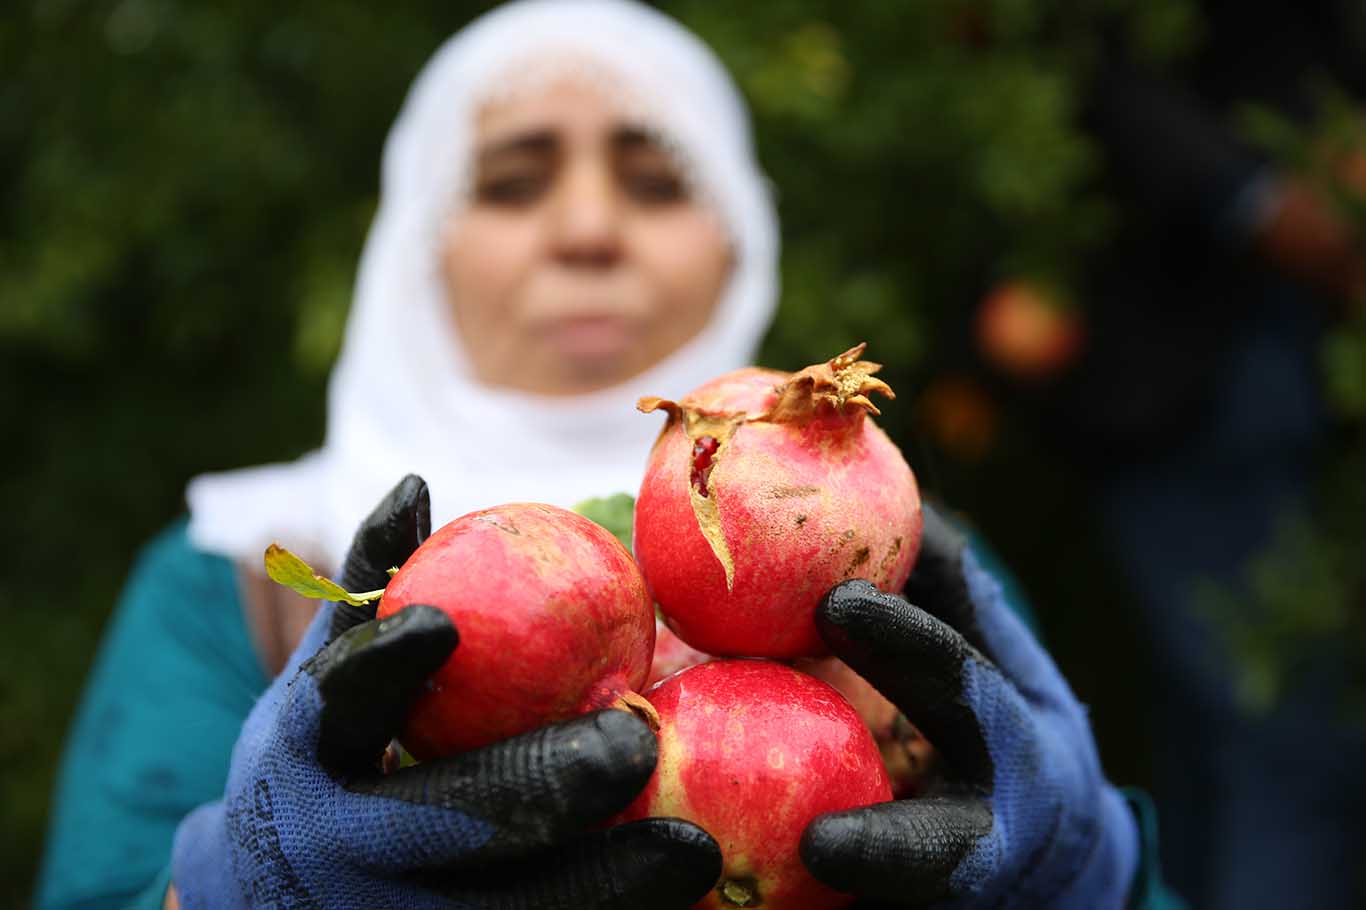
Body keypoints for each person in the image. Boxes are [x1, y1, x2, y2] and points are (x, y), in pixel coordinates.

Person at [35, 2, 1156, 907]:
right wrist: (249, 886)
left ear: (735, 240)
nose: (586, 228)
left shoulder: (913, 577)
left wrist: (1086, 870)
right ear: (421, 247)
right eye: (513, 181)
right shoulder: (225, 579)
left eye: (659, 180)